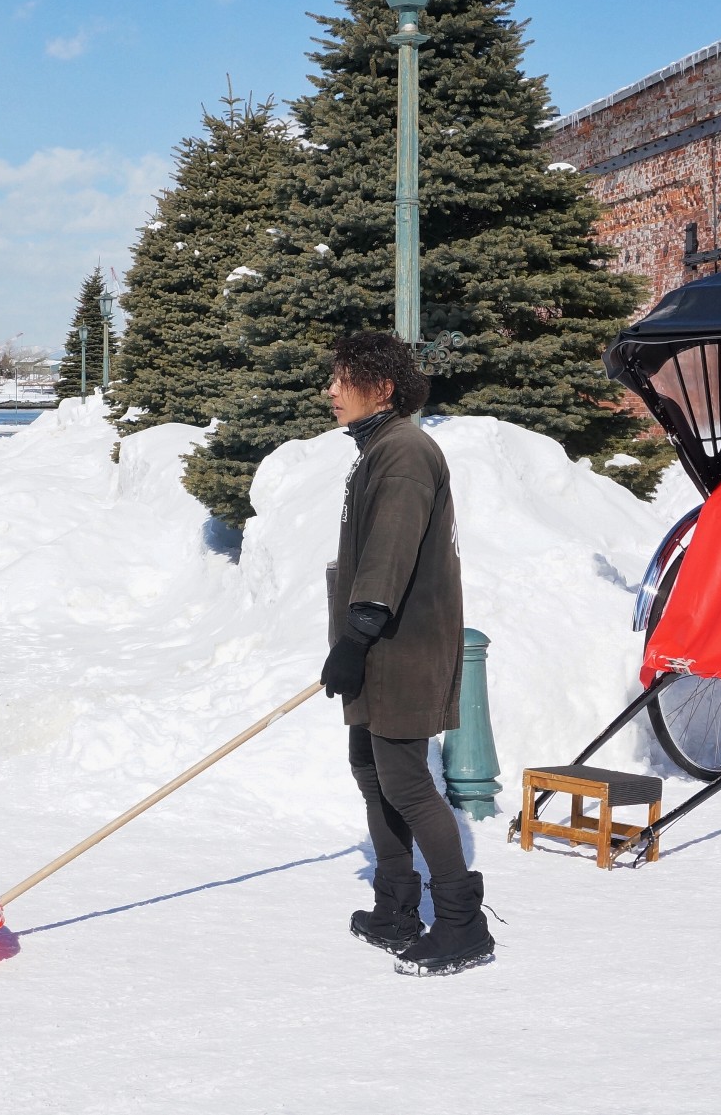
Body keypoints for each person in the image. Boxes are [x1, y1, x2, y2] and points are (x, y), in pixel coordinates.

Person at [321, 331, 494, 977]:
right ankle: (396, 904)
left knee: (407, 782)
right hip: (374, 642)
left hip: (402, 640)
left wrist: (356, 634)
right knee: (369, 766)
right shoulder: (379, 449)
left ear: (383, 386)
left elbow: (390, 552)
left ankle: (461, 923)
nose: (330, 390)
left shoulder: (404, 452)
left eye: (343, 377)